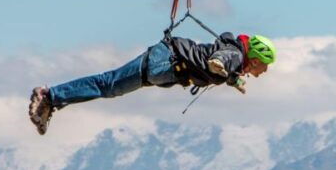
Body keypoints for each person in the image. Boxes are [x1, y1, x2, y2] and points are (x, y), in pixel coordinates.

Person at [28, 32, 276, 135]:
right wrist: (218, 67)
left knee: (110, 87)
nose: (264, 72)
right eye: (265, 65)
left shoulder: (236, 59)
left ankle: (54, 99)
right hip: (164, 62)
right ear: (256, 58)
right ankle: (49, 96)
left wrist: (233, 80)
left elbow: (226, 66)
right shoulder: (232, 56)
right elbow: (218, 60)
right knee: (109, 84)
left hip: (164, 64)